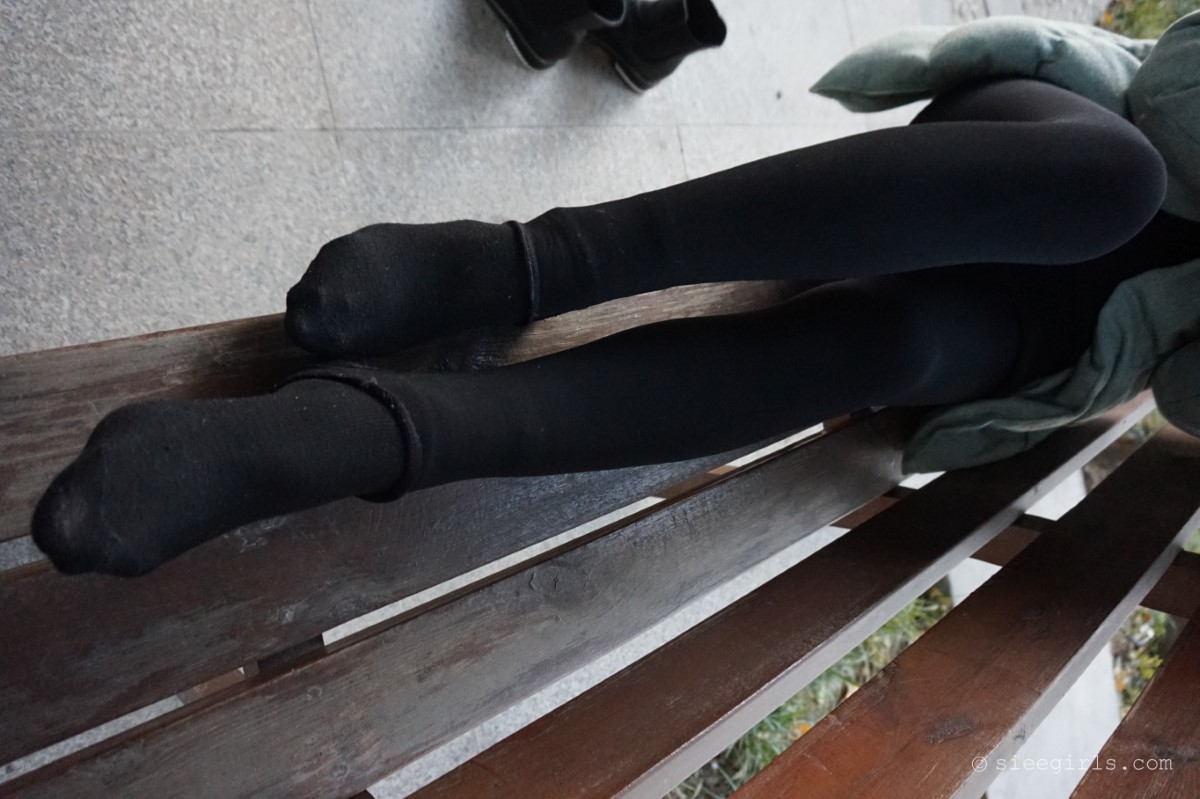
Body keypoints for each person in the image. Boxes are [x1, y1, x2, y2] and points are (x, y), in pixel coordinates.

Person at [30, 66, 1200, 577]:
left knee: (898, 346)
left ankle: (357, 435)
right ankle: (514, 265)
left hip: (1080, 334)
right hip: (1058, 149)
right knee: (1117, 180)